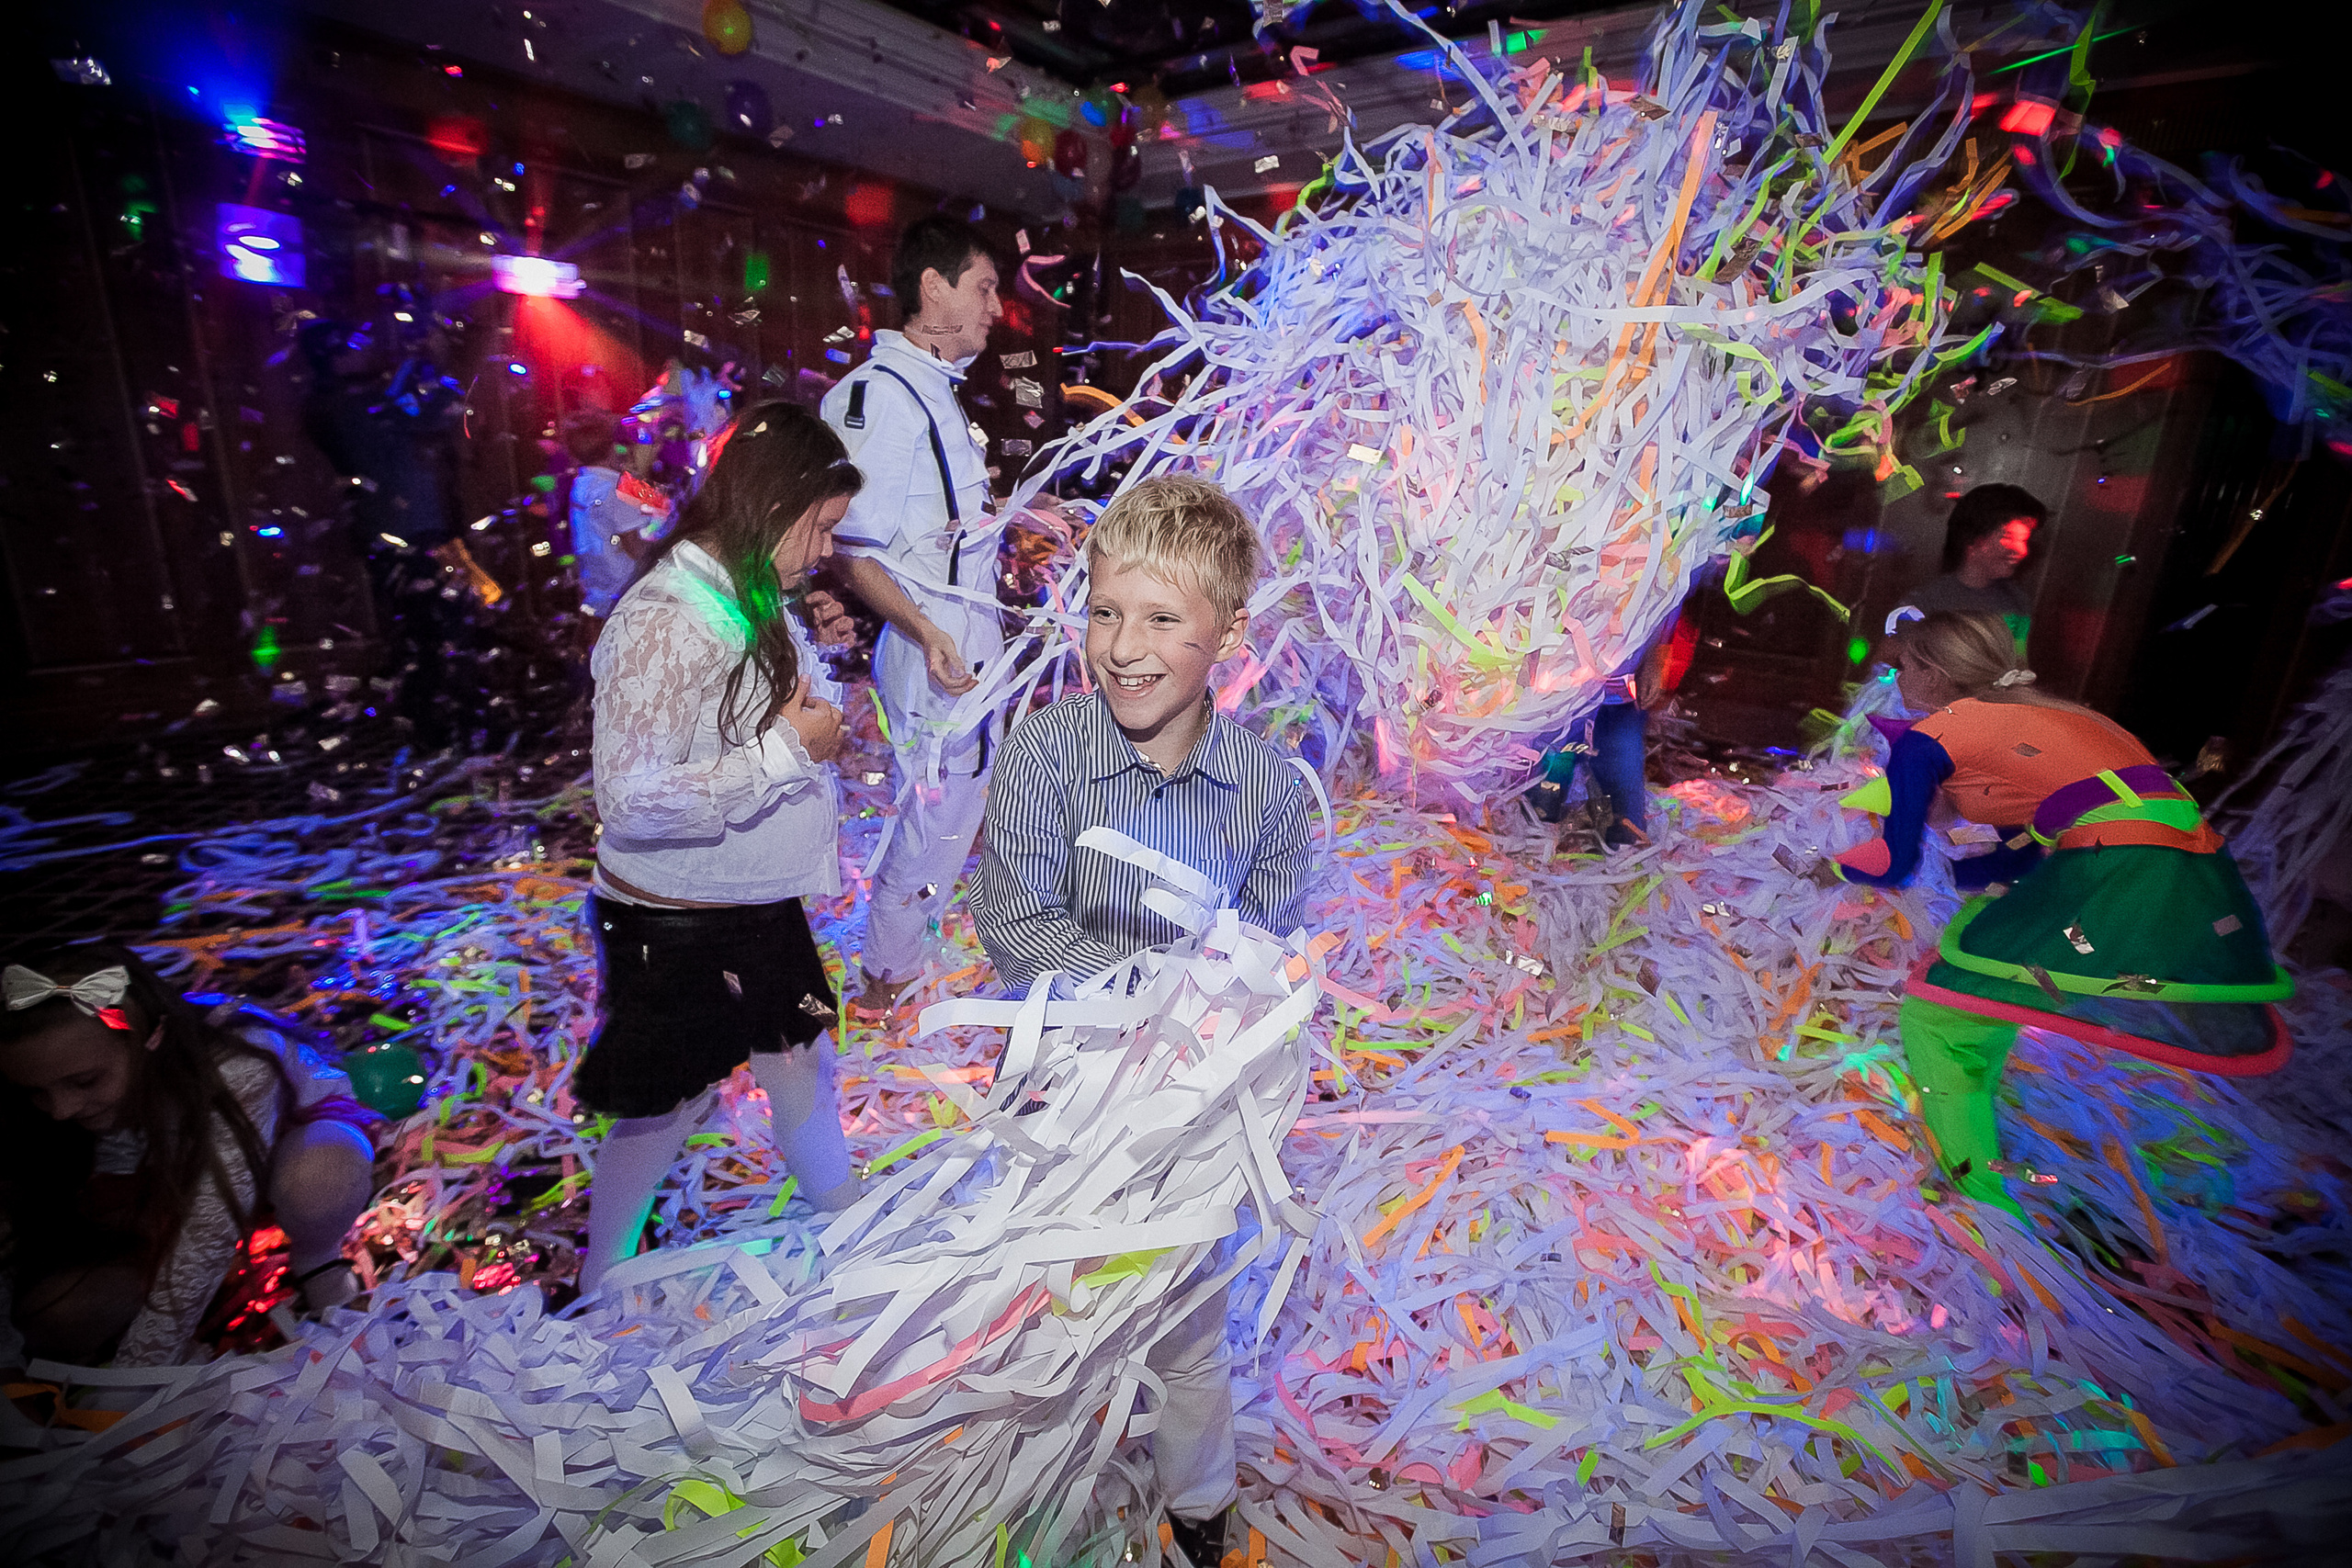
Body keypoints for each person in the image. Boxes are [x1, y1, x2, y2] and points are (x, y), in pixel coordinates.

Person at [972, 475, 1312, 1565]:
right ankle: (1018, 1502)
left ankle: (1199, 1500)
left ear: (1229, 632)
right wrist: (1147, 986)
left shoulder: (1267, 790)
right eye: (1106, 612)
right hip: (1057, 1099)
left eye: (1163, 619)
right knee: (1034, 1308)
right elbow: (1013, 920)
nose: (1124, 646)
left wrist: (1210, 1007)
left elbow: (1262, 960)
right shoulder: (1043, 753)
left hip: (1193, 1116)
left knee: (1188, 1325)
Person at [1826, 612, 2292, 1221]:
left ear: (1934, 674)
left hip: (2112, 872)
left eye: (1905, 665)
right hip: (2190, 875)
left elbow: (1892, 860)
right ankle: (1976, 1133)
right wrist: (1957, 872)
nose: (1896, 674)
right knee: (2008, 978)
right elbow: (2016, 860)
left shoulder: (1932, 737)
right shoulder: (2062, 715)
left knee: (1937, 1012)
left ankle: (1979, 1198)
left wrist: (1827, 865)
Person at [576, 401, 865, 1296]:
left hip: (744, 902)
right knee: (667, 1106)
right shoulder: (666, 618)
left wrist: (808, 722)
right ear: (772, 505)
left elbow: (748, 725)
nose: (824, 551)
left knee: (799, 1058)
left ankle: (850, 1230)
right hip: (678, 920)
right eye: (818, 526)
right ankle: (598, 1283)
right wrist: (787, 751)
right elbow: (630, 803)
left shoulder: (739, 591)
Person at [0, 945, 377, 1372]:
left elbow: (210, 1227)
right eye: (36, 1092)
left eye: (85, 1081)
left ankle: (316, 1256)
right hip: (162, 1190)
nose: (61, 1110)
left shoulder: (238, 1063)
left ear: (151, 1039)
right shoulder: (50, 1109)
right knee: (52, 1320)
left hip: (281, 1157)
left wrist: (136, 1376)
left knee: (319, 1183)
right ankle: (198, 1290)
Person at [820, 217, 1007, 1017]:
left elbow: (941, 530)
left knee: (966, 804)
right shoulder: (878, 396)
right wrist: (927, 631)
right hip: (928, 654)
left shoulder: (934, 391)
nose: (998, 308)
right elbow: (848, 547)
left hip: (967, 649)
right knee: (930, 815)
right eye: (985, 288)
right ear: (933, 288)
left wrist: (1027, 520)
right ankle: (884, 980)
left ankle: (920, 953)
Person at [1887, 483, 2045, 651]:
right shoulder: (1925, 603)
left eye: (2024, 540)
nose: (2021, 550)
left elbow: (2018, 666)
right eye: (2008, 537)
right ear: (1973, 537)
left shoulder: (2017, 603)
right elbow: (1885, 665)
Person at [561, 411, 672, 619]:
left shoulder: (581, 484)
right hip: (625, 594)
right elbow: (634, 548)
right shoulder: (615, 489)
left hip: (598, 591)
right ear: (612, 448)